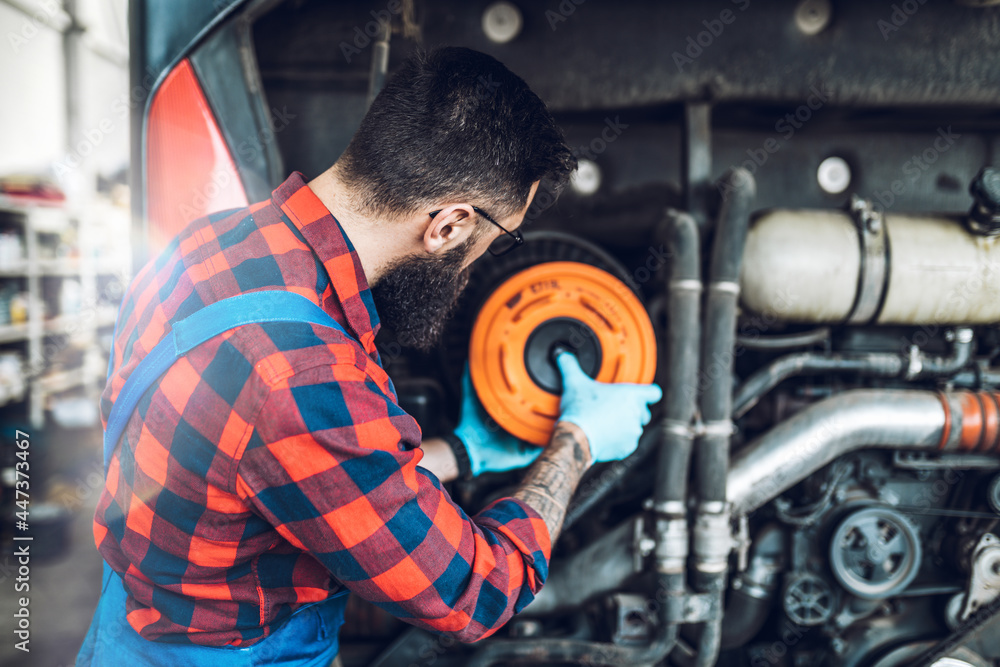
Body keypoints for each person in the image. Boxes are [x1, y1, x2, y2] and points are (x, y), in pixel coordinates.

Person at [77, 46, 661, 666]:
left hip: (133, 621)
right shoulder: (306, 373)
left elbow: (288, 465)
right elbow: (478, 594)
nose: (473, 267)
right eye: (492, 243)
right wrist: (576, 441)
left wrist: (465, 452)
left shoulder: (208, 241)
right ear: (449, 225)